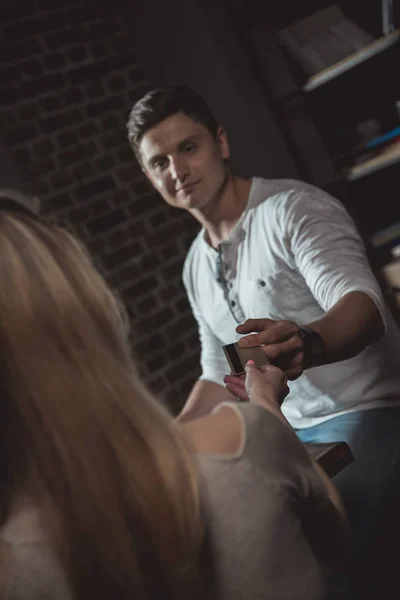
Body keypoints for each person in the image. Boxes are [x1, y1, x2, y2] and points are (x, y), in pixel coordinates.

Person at [0, 194, 348, 599]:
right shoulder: (241, 439)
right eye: (159, 162)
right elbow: (334, 541)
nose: (177, 171)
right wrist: (266, 408)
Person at [127, 85, 400, 598]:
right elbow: (217, 372)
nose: (177, 169)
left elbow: (363, 306)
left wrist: (310, 343)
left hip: (379, 409)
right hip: (292, 435)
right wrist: (163, 444)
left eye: (189, 148)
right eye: (159, 161)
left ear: (221, 142)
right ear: (150, 177)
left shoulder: (293, 208)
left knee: (329, 562)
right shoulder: (194, 263)